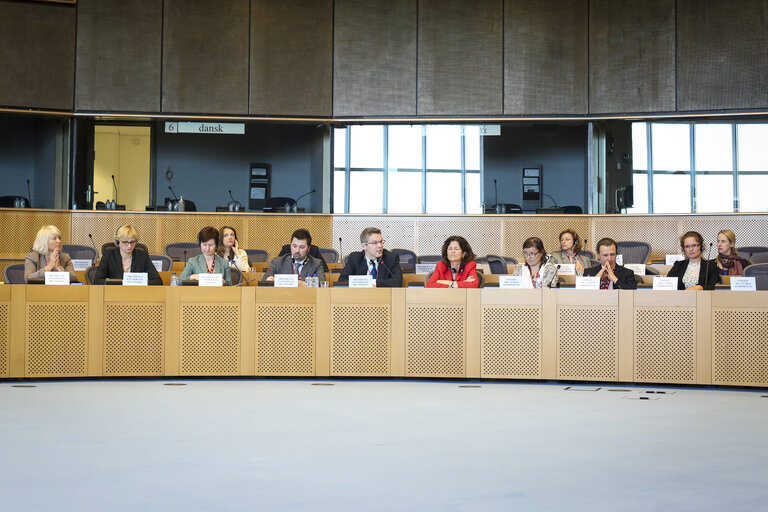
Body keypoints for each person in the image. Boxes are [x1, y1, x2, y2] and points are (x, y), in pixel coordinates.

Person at [94, 225, 162, 285]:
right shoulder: (109, 254)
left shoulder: (142, 255)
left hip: (137, 295)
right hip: (115, 294)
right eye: (125, 242)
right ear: (118, 242)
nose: (129, 246)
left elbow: (157, 281)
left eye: (132, 242)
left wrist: (141, 283)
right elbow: (98, 281)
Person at [338, 227, 402, 287]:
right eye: (375, 243)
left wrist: (372, 282)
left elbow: (398, 282)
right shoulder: (355, 258)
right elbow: (342, 281)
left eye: (381, 242)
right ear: (364, 246)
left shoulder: (391, 258)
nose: (380, 246)